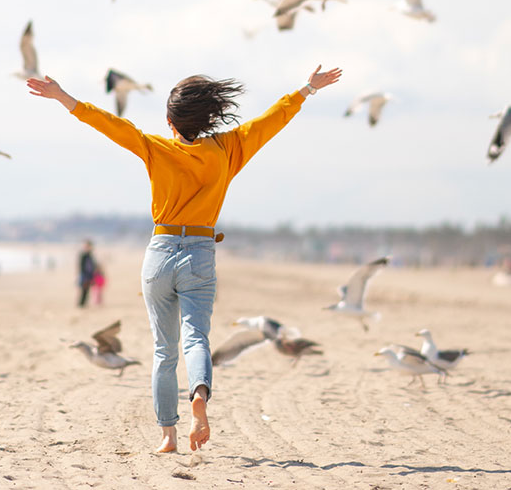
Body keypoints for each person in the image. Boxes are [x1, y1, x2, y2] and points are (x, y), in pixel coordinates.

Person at [28, 65, 341, 454]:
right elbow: (269, 121)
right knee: (196, 337)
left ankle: (167, 435)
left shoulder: (155, 147)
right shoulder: (228, 148)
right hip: (199, 254)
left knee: (164, 349)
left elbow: (109, 124)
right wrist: (307, 89)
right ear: (208, 118)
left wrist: (62, 96)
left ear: (170, 121)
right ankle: (198, 396)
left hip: (159, 255)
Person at [77, 240, 96, 307]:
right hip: (85, 275)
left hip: (90, 275)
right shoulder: (84, 255)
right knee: (83, 290)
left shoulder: (90, 255)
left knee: (87, 290)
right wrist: (84, 275)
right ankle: (81, 304)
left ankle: (84, 304)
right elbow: (81, 266)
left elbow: (92, 266)